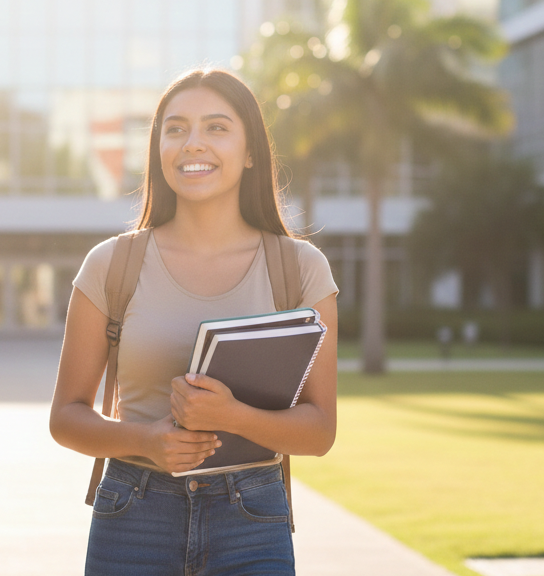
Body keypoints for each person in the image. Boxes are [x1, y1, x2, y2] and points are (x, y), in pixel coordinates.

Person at [49, 68, 339, 576]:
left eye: (217, 127)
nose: (193, 143)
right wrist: (145, 442)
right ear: (158, 148)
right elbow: (66, 417)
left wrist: (231, 416)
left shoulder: (300, 269)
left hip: (252, 516)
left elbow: (319, 432)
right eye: (176, 128)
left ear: (250, 152)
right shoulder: (110, 265)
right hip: (132, 514)